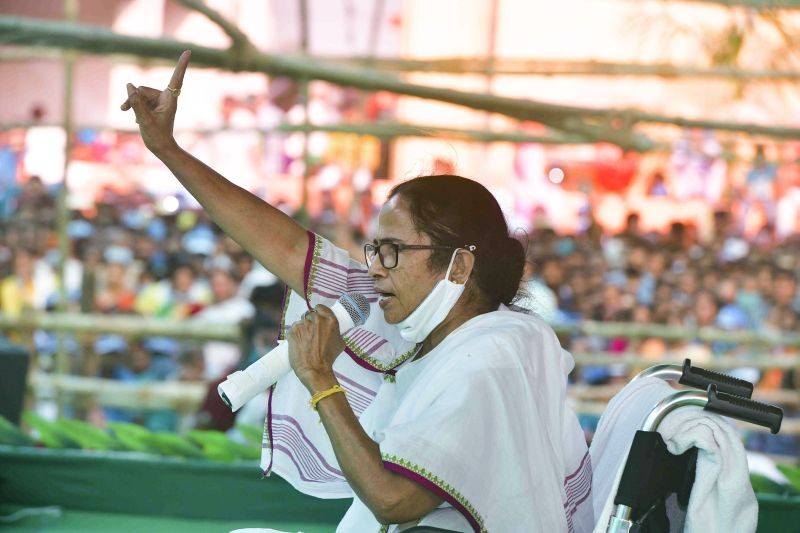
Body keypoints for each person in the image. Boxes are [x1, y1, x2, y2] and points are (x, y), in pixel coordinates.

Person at [122, 51, 593, 532]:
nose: (374, 270)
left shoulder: (492, 354)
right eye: (374, 249)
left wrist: (321, 380)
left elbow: (394, 502)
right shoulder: (423, 328)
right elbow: (288, 248)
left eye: (392, 250)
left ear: (458, 266)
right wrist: (167, 149)